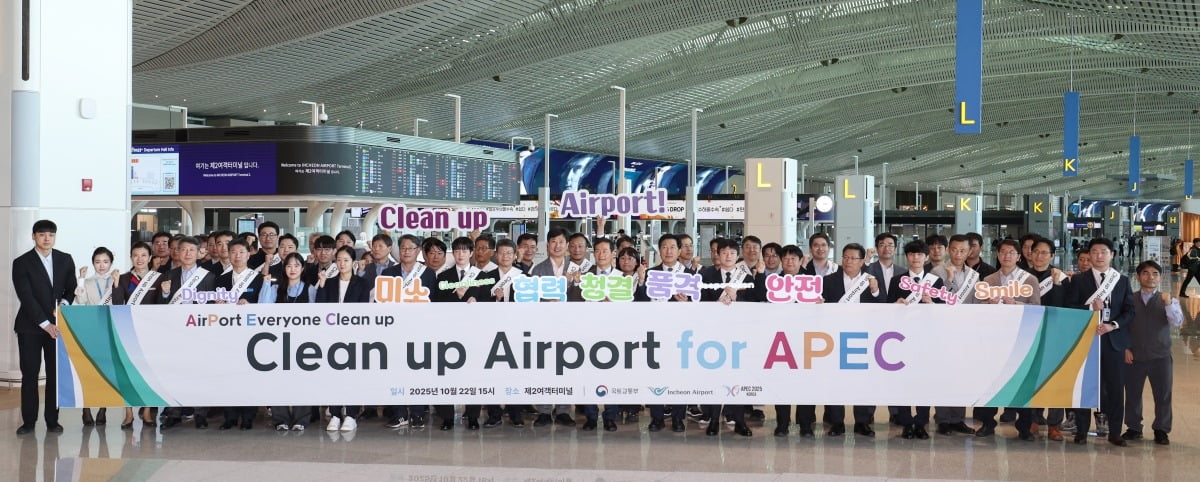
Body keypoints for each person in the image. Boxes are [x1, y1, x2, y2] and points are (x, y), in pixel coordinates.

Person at [1066, 237, 1135, 446]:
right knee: (1084, 385)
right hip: (1086, 340)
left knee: (1114, 388)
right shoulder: (1078, 280)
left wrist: (1112, 325)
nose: (1098, 256)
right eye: (1094, 251)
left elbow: (1129, 311)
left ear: (1112, 254)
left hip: (1112, 341)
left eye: (1103, 252)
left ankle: (1115, 432)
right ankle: (1082, 430)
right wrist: (1089, 309)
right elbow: (1069, 308)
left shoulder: (1121, 280)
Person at [12, 220, 77, 435]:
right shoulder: (21, 262)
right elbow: (26, 296)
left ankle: (52, 420)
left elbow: (71, 287)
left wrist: (64, 306)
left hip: (57, 327)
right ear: (33, 236)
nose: (47, 238)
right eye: (42, 234)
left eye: (51, 234)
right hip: (30, 327)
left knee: (54, 375)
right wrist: (45, 323)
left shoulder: (65, 259)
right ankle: (28, 422)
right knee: (30, 374)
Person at [975, 240, 1041, 441]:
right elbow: (976, 309)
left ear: (1019, 256)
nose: (1006, 256)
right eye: (1003, 252)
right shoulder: (988, 279)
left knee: (1021, 382)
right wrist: (988, 303)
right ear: (997, 255)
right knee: (991, 381)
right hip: (995, 339)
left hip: (1021, 340)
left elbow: (1037, 308)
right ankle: (987, 423)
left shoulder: (1029, 280)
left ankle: (1023, 426)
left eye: (1011, 252)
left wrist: (1016, 303)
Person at [155, 236, 218, 429]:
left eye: (192, 250)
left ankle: (200, 413)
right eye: (184, 250)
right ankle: (174, 412)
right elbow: (159, 306)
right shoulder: (168, 276)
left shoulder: (208, 277)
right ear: (178, 252)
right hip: (174, 333)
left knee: (199, 373)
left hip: (199, 333)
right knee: (174, 372)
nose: (188, 254)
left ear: (199, 252)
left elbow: (212, 307)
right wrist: (165, 294)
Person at [819, 243, 881, 437]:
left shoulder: (870, 280)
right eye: (845, 257)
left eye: (853, 258)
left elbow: (884, 305)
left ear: (862, 261)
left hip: (864, 339)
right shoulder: (828, 281)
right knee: (835, 380)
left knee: (863, 382)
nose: (848, 261)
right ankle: (836, 422)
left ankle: (862, 422)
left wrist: (876, 291)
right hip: (835, 339)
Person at [887, 240, 944, 440]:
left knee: (923, 382)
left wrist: (932, 303)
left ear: (926, 257)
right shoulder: (897, 281)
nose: (916, 258)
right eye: (911, 254)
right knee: (903, 382)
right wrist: (896, 304)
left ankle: (921, 423)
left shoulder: (935, 281)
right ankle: (906, 423)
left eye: (920, 254)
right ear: (907, 257)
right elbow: (887, 310)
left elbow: (944, 311)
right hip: (902, 339)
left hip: (926, 339)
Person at [381, 234, 439, 429]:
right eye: (403, 248)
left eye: (410, 248)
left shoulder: (428, 273)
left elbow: (433, 304)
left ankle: (417, 413)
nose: (406, 251)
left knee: (418, 372)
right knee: (395, 371)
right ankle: (398, 414)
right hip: (395, 331)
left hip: (419, 330)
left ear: (418, 250)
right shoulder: (389, 273)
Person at [432, 237, 490, 430]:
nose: (461, 254)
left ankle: (473, 416)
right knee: (447, 374)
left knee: (474, 375)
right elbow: (437, 305)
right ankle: (447, 417)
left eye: (465, 251)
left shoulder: (482, 276)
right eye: (457, 250)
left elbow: (489, 304)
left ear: (471, 253)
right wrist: (455, 296)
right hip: (449, 333)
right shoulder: (443, 277)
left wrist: (478, 301)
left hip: (475, 334)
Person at [1122, 260, 1182, 446]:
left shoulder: (1169, 300)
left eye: (1155, 273)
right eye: (1146, 273)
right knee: (1132, 393)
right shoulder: (1129, 299)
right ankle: (1133, 427)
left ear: (1160, 277)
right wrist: (1125, 348)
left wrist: (1168, 304)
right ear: (1138, 277)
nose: (1150, 277)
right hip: (1135, 355)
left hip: (1160, 355)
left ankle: (1161, 429)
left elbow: (1177, 322)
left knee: (1163, 394)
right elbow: (1122, 326)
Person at [699, 238, 754, 437]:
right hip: (712, 337)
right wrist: (717, 300)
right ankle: (713, 419)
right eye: (724, 253)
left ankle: (739, 420)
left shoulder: (746, 277)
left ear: (737, 256)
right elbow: (700, 300)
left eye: (732, 253)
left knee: (737, 377)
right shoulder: (706, 275)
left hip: (738, 337)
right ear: (717, 255)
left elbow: (756, 301)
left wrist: (737, 298)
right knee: (714, 378)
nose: (728, 256)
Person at [259, 252, 317, 431]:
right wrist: (266, 283)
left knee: (303, 381)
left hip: (304, 344)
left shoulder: (310, 289)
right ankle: (280, 418)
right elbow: (263, 308)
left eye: (296, 266)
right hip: (279, 342)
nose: (292, 269)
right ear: (284, 269)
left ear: (302, 268)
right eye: (289, 266)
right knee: (278, 381)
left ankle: (301, 418)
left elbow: (316, 316)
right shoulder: (277, 289)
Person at [316, 246, 371, 432]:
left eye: (346, 260)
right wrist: (322, 285)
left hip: (353, 337)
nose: (341, 263)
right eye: (338, 259)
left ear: (353, 262)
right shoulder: (330, 282)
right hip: (332, 338)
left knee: (352, 377)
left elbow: (363, 311)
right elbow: (320, 308)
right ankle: (335, 413)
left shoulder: (362, 284)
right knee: (333, 377)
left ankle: (351, 414)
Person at [215, 239, 266, 430]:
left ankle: (248, 416)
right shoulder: (220, 279)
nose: (237, 256)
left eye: (241, 252)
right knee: (228, 375)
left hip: (251, 335)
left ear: (248, 254)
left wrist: (250, 305)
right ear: (228, 254)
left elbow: (266, 306)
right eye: (233, 252)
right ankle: (230, 416)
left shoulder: (258, 278)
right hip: (227, 335)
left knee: (249, 375)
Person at [770, 244, 820, 437]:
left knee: (806, 384)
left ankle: (805, 425)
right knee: (782, 383)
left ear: (801, 261)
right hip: (780, 342)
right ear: (781, 261)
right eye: (786, 258)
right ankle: (782, 423)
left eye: (794, 258)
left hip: (806, 342)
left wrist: (820, 305)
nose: (789, 262)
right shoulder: (772, 282)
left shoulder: (812, 282)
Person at [111, 242, 160, 429]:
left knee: (149, 373)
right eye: (135, 255)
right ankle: (129, 413)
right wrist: (115, 285)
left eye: (143, 255)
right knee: (127, 374)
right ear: (131, 258)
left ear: (149, 258)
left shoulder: (158, 278)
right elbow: (117, 306)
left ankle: (147, 411)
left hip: (150, 333)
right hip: (128, 332)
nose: (139, 259)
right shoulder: (123, 279)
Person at [478, 239, 527, 428]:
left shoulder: (524, 276)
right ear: (495, 255)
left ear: (515, 255)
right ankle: (494, 413)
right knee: (493, 373)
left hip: (518, 332)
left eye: (509, 253)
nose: (505, 256)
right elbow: (480, 305)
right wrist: (493, 298)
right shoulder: (485, 276)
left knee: (517, 373)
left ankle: (516, 413)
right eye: (501, 253)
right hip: (492, 333)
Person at [1026, 237, 1071, 441]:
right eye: (1036, 251)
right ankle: (1034, 419)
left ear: (1052, 255)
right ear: (1030, 254)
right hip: (1029, 334)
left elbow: (1065, 307)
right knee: (1033, 378)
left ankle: (1055, 424)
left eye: (1045, 253)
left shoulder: (1060, 276)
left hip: (1055, 334)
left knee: (1055, 379)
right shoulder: (1023, 277)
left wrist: (1057, 284)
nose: (1040, 256)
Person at [73, 247, 121, 427]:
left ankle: (103, 409)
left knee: (106, 371)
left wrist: (116, 283)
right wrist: (81, 279)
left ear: (111, 263)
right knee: (88, 371)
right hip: (90, 330)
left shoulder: (116, 279)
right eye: (98, 262)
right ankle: (85, 409)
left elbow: (120, 303)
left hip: (110, 330)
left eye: (105, 262)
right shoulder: (88, 281)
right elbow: (80, 301)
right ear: (93, 262)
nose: (102, 266)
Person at [866, 233, 898, 302]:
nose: (886, 248)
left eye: (890, 245)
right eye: (882, 245)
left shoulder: (903, 271)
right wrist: (867, 259)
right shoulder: (868, 269)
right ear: (876, 249)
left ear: (895, 250)